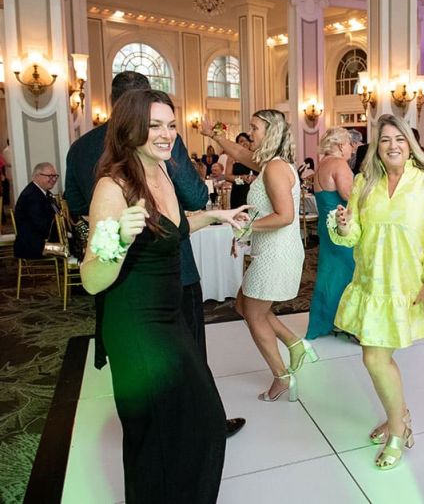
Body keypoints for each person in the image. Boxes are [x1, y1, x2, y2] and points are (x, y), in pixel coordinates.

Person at [80, 89, 249, 503]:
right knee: (160, 434)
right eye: (154, 125)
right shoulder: (114, 186)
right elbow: (91, 279)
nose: (166, 133)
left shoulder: (163, 171)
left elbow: (173, 226)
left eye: (170, 125)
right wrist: (117, 239)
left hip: (167, 317)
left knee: (197, 423)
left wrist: (215, 216)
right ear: (129, 128)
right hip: (136, 327)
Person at [331, 114, 424, 470]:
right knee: (376, 357)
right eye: (385, 140)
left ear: (410, 144)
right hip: (372, 285)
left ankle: (399, 430)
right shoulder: (363, 183)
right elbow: (352, 236)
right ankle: (398, 418)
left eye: (399, 139)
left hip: (408, 286)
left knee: (375, 358)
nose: (392, 146)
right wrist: (343, 225)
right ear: (377, 147)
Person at [229, 109, 312, 402]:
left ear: (271, 132)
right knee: (244, 305)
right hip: (272, 251)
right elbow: (239, 152)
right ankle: (294, 342)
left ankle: (282, 377)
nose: (250, 132)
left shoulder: (276, 168)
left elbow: (285, 216)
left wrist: (245, 229)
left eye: (255, 127)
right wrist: (212, 135)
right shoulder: (270, 164)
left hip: (277, 253)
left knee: (252, 313)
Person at [307, 127, 356, 339]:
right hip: (340, 227)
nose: (352, 148)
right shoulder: (338, 164)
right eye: (349, 143)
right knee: (348, 270)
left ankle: (328, 319)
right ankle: (344, 321)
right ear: (338, 145)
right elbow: (350, 196)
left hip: (326, 226)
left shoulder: (322, 165)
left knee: (330, 272)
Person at [13, 162, 60, 259]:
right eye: (50, 176)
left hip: (40, 242)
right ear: (37, 176)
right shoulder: (32, 196)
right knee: (70, 248)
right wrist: (64, 234)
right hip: (34, 246)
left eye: (55, 176)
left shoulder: (42, 192)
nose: (54, 179)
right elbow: (42, 226)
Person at [226, 132, 258, 209]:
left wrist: (255, 178)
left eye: (247, 140)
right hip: (238, 190)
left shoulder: (256, 156)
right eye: (241, 141)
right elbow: (227, 176)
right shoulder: (232, 157)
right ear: (237, 144)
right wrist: (241, 178)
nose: (244, 143)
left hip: (254, 190)